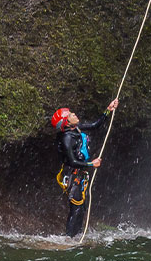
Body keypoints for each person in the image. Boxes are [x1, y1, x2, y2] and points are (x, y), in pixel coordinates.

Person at [50, 99, 116, 237]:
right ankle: (69, 238)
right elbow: (72, 161)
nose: (73, 114)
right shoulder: (66, 138)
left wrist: (108, 110)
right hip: (71, 174)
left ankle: (78, 235)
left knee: (82, 207)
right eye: (70, 115)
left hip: (80, 173)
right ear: (66, 123)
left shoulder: (77, 128)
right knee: (76, 207)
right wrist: (92, 164)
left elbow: (95, 126)